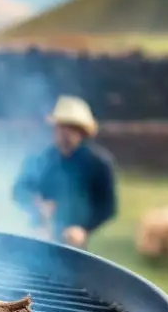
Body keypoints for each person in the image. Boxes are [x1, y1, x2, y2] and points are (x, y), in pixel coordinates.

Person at [13, 96, 117, 249]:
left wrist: (84, 229)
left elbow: (107, 207)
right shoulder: (41, 158)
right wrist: (36, 206)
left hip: (74, 239)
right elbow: (19, 190)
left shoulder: (98, 163)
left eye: (72, 128)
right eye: (61, 127)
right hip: (41, 234)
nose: (65, 133)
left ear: (82, 132)